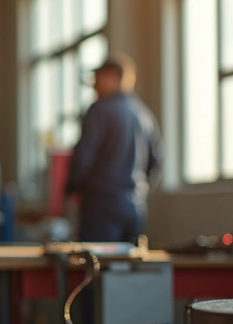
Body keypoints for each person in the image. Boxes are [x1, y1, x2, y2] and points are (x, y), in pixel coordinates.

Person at [66, 53, 163, 243]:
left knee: (97, 266)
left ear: (112, 78)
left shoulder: (100, 110)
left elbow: (84, 156)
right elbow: (157, 161)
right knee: (126, 268)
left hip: (101, 207)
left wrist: (71, 189)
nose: (94, 85)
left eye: (98, 78)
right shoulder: (145, 115)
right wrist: (139, 191)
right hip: (135, 208)